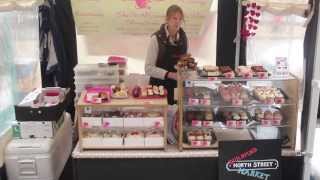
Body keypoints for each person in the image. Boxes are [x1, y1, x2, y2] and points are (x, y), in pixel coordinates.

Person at [145, 4, 188, 105]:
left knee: (175, 116)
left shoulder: (183, 38)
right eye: (174, 18)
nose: (177, 22)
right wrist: (169, 74)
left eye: (180, 19)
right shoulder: (156, 39)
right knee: (159, 118)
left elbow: (183, 62)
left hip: (176, 87)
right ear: (167, 19)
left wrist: (186, 68)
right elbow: (148, 68)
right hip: (158, 87)